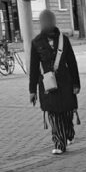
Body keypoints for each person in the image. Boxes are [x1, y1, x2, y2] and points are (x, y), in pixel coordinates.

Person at [29, 9, 81, 155]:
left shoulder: (63, 39)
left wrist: (76, 84)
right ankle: (59, 143)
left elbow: (72, 62)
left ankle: (69, 132)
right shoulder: (36, 42)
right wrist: (32, 91)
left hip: (65, 82)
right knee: (54, 114)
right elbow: (33, 68)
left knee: (67, 113)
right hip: (48, 84)